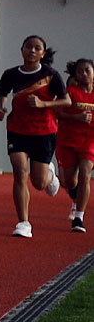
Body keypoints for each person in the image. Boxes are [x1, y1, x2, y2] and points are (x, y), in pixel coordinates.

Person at [0, 34, 71, 238]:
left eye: (37, 48)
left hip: (44, 133)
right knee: (20, 172)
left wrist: (43, 104)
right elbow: (2, 94)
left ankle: (49, 175)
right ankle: (23, 223)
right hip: (17, 130)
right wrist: (0, 107)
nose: (32, 51)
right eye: (28, 47)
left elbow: (66, 101)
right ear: (22, 50)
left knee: (38, 183)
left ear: (43, 54)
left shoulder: (51, 75)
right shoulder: (11, 74)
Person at [56, 57, 93, 233]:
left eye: (87, 70)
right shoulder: (69, 92)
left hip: (90, 142)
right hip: (68, 141)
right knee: (69, 181)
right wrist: (76, 117)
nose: (84, 74)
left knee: (85, 174)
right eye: (80, 71)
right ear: (75, 75)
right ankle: (75, 194)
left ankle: (79, 217)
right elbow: (57, 114)